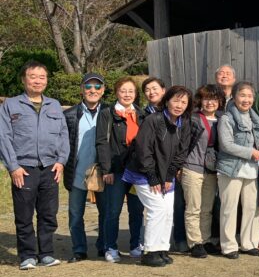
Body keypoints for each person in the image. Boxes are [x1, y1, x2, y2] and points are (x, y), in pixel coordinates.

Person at [0, 61, 69, 269]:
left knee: (48, 213)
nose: (37, 81)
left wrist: (61, 161)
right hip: (24, 168)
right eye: (33, 76)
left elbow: (64, 136)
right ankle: (27, 256)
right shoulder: (10, 105)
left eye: (42, 77)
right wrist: (13, 166)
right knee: (24, 215)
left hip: (50, 168)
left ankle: (46, 253)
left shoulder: (55, 105)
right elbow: (3, 137)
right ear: (24, 79)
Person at [123, 86, 193, 267]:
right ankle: (149, 251)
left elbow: (181, 152)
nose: (179, 105)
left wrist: (169, 176)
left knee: (168, 211)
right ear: (167, 100)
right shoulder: (153, 120)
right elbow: (142, 148)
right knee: (157, 210)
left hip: (166, 175)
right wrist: (152, 176)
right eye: (176, 100)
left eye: (184, 102)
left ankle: (162, 248)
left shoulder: (184, 123)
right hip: (144, 173)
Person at [96, 77, 146, 263]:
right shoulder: (107, 113)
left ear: (135, 94)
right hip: (115, 171)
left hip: (136, 172)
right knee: (113, 211)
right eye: (123, 90)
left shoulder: (141, 114)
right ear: (116, 92)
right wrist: (106, 169)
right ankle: (110, 247)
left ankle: (135, 245)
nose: (127, 94)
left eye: (131, 91)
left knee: (136, 211)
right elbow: (102, 142)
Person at [217, 81, 259, 259]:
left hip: (251, 169)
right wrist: (251, 152)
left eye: (249, 96)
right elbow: (226, 145)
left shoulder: (253, 117)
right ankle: (229, 246)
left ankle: (248, 243)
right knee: (229, 208)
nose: (246, 100)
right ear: (234, 97)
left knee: (251, 208)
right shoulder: (226, 118)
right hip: (231, 168)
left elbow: (256, 138)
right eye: (242, 95)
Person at [63, 72, 106, 263]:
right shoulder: (70, 115)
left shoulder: (110, 112)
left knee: (106, 213)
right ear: (82, 89)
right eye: (88, 86)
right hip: (78, 171)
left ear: (103, 90)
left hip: (104, 173)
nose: (92, 90)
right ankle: (79, 249)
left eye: (97, 87)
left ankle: (104, 246)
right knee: (75, 214)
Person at [181, 84, 226, 259]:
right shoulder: (192, 119)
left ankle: (206, 240)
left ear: (220, 101)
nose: (210, 103)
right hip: (192, 166)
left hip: (211, 169)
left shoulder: (223, 119)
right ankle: (195, 242)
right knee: (193, 207)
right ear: (200, 100)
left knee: (206, 208)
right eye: (206, 99)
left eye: (214, 99)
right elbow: (182, 144)